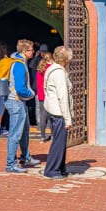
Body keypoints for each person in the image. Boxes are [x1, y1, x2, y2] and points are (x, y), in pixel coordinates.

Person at [4, 38, 40, 173]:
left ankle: (25, 157)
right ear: (25, 51)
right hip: (16, 101)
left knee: (24, 131)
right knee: (15, 133)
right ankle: (10, 164)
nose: (33, 52)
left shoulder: (20, 62)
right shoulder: (19, 65)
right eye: (31, 50)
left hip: (19, 102)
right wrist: (32, 93)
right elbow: (20, 88)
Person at [43, 46, 74, 179]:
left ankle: (60, 168)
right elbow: (63, 97)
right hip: (59, 112)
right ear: (66, 59)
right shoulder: (59, 73)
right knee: (58, 142)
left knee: (59, 141)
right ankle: (52, 169)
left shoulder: (51, 69)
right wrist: (68, 119)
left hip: (52, 109)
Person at [29, 43, 49, 127]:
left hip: (47, 87)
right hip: (37, 86)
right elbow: (31, 66)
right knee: (38, 106)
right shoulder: (37, 60)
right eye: (41, 52)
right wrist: (35, 57)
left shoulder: (49, 60)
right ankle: (39, 122)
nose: (43, 54)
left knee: (47, 106)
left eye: (44, 52)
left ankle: (47, 123)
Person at [36, 51, 53, 142]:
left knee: (43, 115)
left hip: (41, 95)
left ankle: (42, 136)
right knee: (52, 116)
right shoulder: (52, 68)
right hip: (50, 95)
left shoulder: (40, 69)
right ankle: (53, 135)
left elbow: (38, 84)